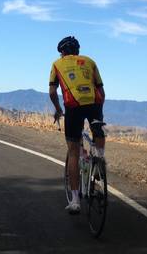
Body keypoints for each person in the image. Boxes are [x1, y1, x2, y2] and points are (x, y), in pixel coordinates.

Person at [49, 36, 106, 215]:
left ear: (62, 52)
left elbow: (52, 91)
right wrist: (99, 112)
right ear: (77, 51)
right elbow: (101, 90)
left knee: (73, 151)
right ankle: (99, 158)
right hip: (94, 104)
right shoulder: (90, 61)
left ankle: (75, 200)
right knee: (97, 129)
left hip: (73, 106)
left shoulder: (57, 64)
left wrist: (58, 109)